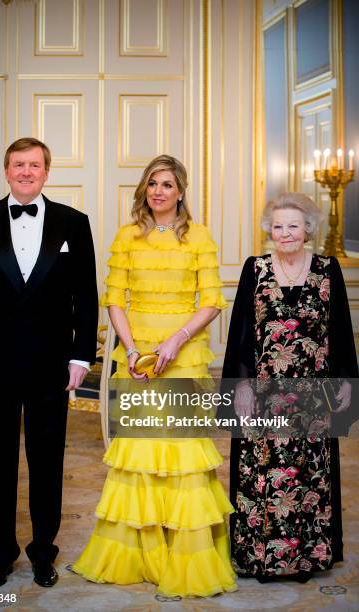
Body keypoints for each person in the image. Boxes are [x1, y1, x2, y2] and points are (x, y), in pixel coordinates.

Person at [72, 155, 237, 598]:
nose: (159, 191)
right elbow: (114, 298)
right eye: (152, 184)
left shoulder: (198, 236)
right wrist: (132, 349)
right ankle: (140, 553)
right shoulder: (128, 237)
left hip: (182, 354)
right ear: (145, 191)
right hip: (139, 356)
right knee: (139, 451)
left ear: (181, 191)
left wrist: (176, 341)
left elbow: (210, 301)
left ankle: (184, 553)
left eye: (167, 184)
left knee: (180, 454)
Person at [0, 138, 98, 589]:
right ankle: (0, 555)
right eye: (19, 164)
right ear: (6, 170)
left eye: (35, 165)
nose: (27, 172)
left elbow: (86, 296)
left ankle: (42, 553)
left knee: (47, 460)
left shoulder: (75, 222)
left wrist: (80, 356)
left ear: (47, 171)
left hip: (52, 363)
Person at [222, 192, 358, 582]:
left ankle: (306, 558)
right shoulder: (256, 268)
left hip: (313, 396)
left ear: (308, 229)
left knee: (308, 476)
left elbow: (340, 332)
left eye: (293, 226)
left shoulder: (327, 270)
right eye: (278, 226)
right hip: (264, 394)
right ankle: (258, 556)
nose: (285, 234)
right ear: (269, 230)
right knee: (262, 474)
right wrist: (242, 386)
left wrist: (346, 382)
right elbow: (243, 333)